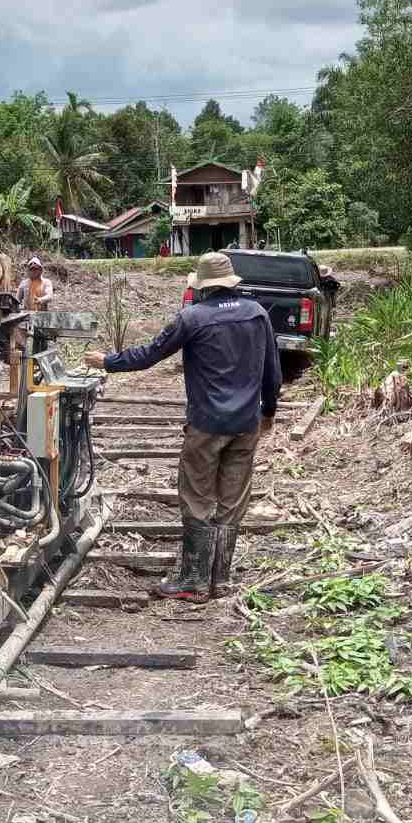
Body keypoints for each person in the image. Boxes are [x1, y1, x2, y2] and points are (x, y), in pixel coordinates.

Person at [85, 251, 281, 601]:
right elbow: (273, 372)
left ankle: (193, 580)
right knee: (232, 500)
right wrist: (268, 413)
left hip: (206, 424)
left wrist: (108, 361)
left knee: (197, 498)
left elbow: (150, 355)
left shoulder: (192, 318)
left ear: (204, 287)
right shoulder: (257, 314)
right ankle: (220, 580)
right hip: (246, 424)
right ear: (231, 282)